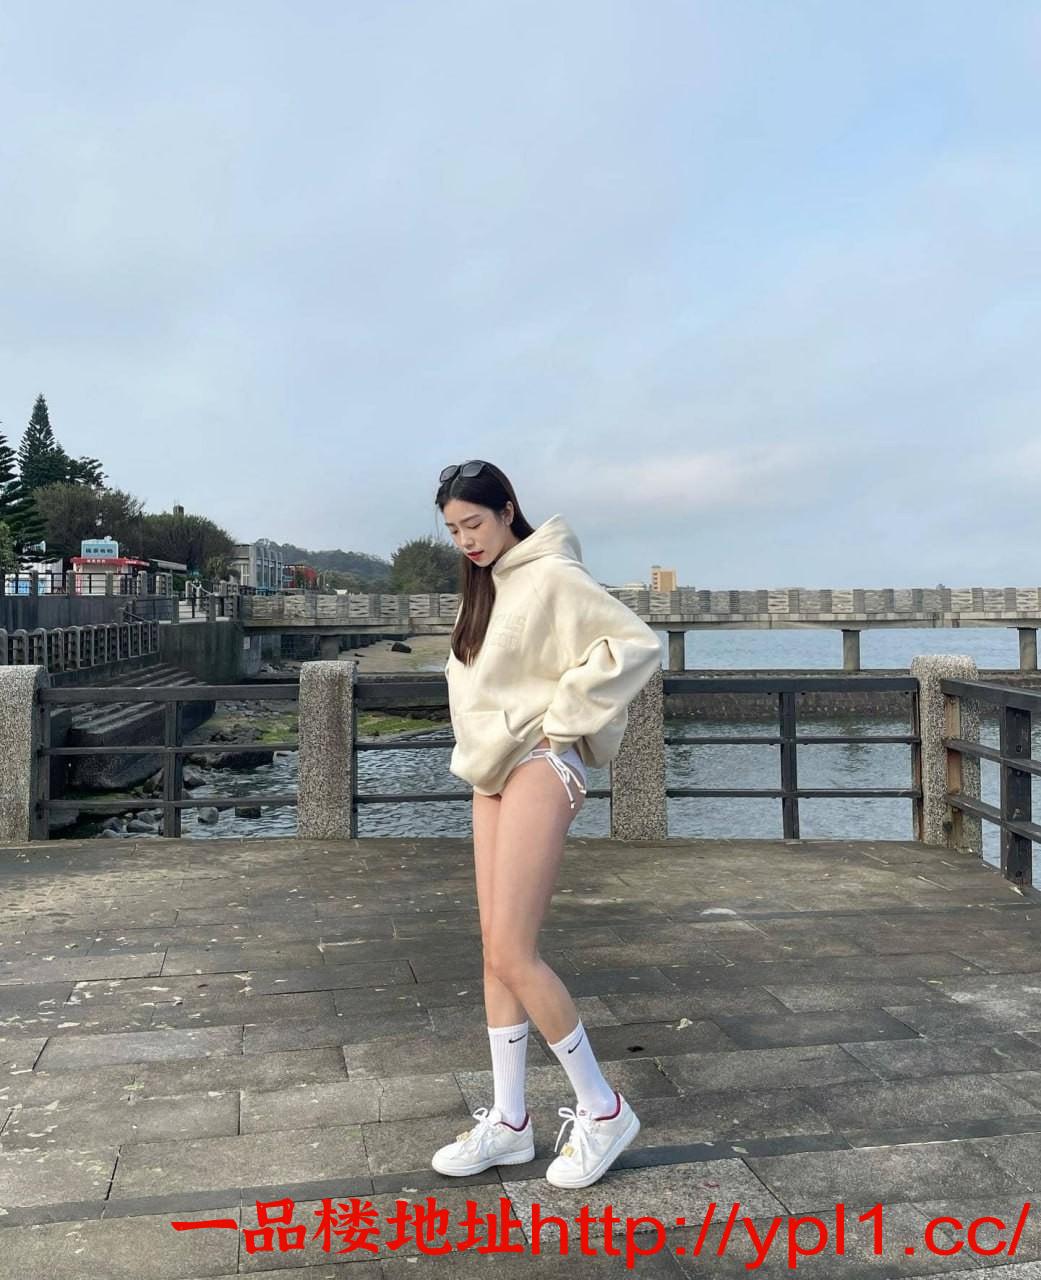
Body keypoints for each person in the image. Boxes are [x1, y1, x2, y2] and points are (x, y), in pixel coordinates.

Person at [430, 459, 663, 1190]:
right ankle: (509, 1122)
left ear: (507, 509)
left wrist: (560, 726)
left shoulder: (553, 574)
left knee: (514, 949)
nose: (465, 540)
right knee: (493, 951)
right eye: (453, 530)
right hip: (490, 771)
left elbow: (633, 643)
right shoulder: (485, 587)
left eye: (473, 523)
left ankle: (602, 1109)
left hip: (537, 762)